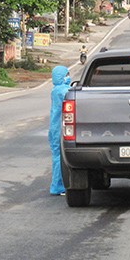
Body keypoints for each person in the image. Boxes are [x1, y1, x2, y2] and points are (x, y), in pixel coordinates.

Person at [48, 66, 70, 195]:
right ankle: (58, 186)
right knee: (60, 158)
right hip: (60, 128)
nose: (68, 77)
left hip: (55, 128)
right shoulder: (63, 91)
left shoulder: (55, 90)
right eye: (66, 75)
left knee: (57, 156)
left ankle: (57, 185)